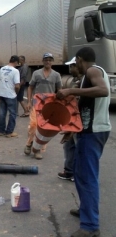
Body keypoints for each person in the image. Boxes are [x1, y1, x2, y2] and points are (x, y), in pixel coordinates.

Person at [56, 47, 111, 237]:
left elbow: (103, 90)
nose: (75, 67)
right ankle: (86, 210)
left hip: (93, 133)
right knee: (80, 174)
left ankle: (90, 226)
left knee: (87, 178)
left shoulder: (92, 70)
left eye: (75, 63)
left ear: (80, 60)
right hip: (87, 131)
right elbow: (84, 108)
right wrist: (72, 130)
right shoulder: (89, 76)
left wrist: (70, 89)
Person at [24, 52, 62, 159]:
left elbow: (60, 90)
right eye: (46, 60)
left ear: (52, 62)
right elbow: (30, 87)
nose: (48, 62)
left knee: (44, 128)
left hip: (49, 106)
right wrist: (29, 101)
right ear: (43, 61)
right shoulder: (36, 73)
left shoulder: (56, 75)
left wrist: (59, 105)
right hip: (37, 103)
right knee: (33, 125)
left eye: (50, 60)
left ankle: (38, 150)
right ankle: (29, 144)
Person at [57, 57, 83, 181]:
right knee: (68, 145)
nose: (70, 69)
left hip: (79, 121)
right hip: (72, 120)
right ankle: (69, 171)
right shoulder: (76, 80)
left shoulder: (83, 82)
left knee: (78, 147)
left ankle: (76, 173)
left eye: (72, 66)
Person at [0, 55, 20, 137]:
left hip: (2, 93)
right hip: (10, 94)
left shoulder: (2, 69)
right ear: (16, 62)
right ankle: (9, 132)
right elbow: (17, 85)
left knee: (2, 113)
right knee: (12, 114)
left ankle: (1, 131)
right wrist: (16, 93)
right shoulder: (15, 71)